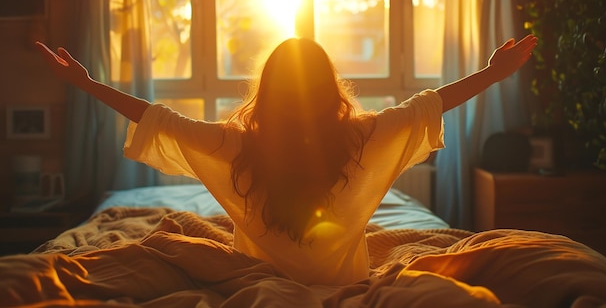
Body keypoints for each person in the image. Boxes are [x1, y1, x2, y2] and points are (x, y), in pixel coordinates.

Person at [35, 35, 537, 286]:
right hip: (346, 285)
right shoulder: (358, 137)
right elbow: (428, 105)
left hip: (259, 282)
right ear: (329, 90)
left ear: (268, 92)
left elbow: (158, 118)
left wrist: (87, 84)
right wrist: (492, 75)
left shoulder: (239, 146)